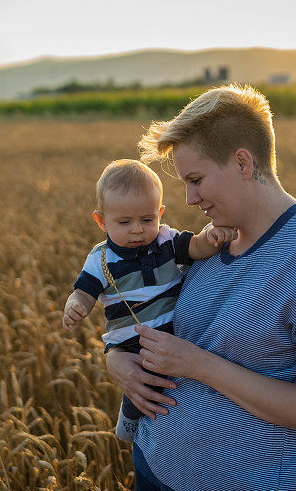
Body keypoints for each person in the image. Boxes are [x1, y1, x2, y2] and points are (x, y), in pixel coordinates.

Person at [105, 84, 296, 491]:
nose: (188, 199)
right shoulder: (209, 243)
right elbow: (146, 313)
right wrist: (114, 358)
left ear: (243, 162)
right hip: (156, 473)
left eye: (196, 179)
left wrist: (196, 364)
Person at [62, 159, 237, 441]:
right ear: (101, 221)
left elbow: (195, 248)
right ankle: (130, 421)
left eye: (147, 220)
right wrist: (77, 305)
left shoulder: (166, 240)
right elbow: (84, 291)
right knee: (143, 385)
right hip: (132, 344)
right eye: (124, 222)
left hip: (175, 334)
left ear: (160, 213)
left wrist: (212, 237)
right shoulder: (101, 259)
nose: (137, 230)